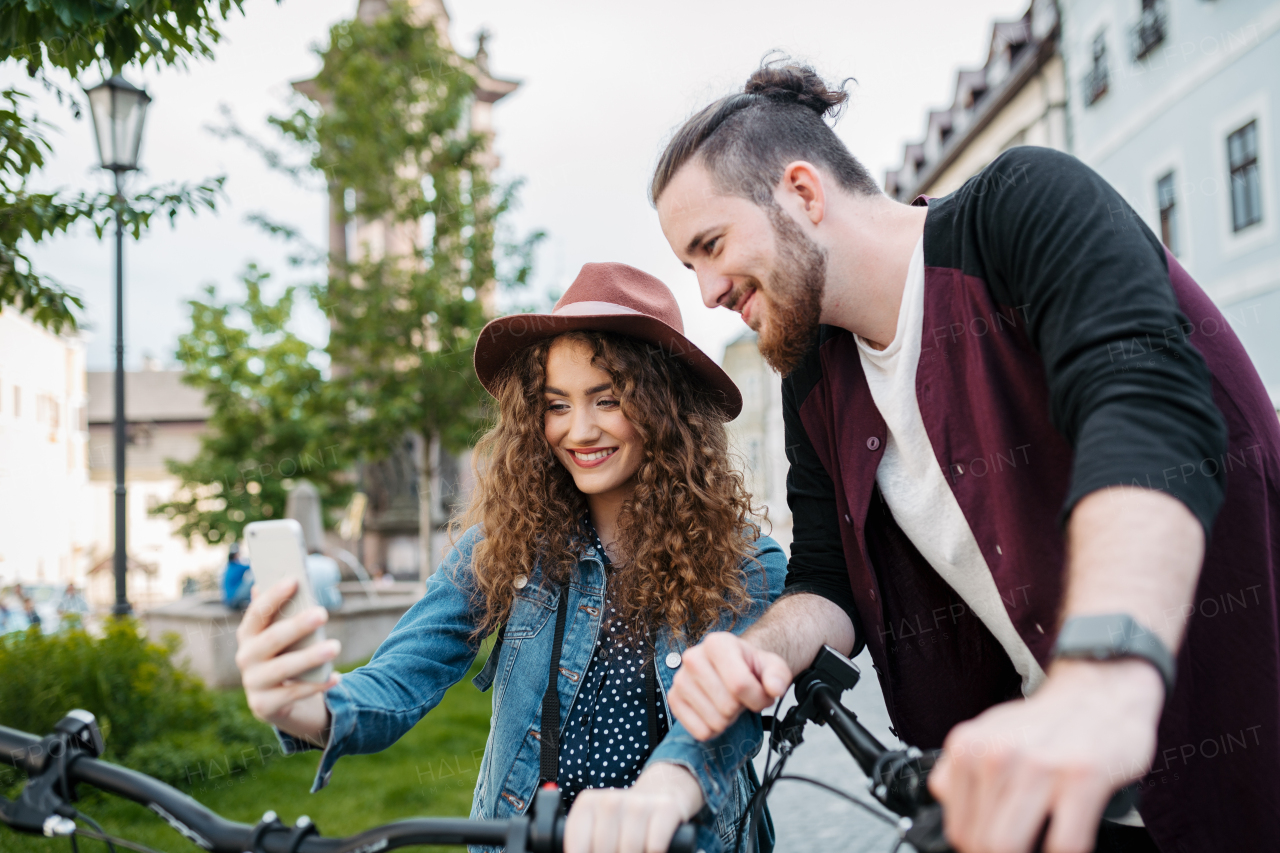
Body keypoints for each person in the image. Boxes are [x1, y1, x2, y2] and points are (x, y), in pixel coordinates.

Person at [651, 64, 1280, 853]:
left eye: (711, 245)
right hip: (1057, 811)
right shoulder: (812, 372)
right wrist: (757, 651)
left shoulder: (1020, 207)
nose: (707, 290)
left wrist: (1101, 675)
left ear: (804, 194)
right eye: (689, 267)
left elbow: (1144, 404)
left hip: (1241, 761)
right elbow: (826, 579)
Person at [234, 263, 787, 853]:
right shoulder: (506, 546)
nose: (579, 430)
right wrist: (315, 706)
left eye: (607, 399)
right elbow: (402, 675)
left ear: (667, 407)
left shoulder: (746, 561)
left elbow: (724, 726)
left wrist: (661, 794)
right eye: (556, 405)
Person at [223, 542, 253, 610]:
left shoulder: (229, 567)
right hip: (233, 600)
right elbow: (252, 566)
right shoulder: (238, 566)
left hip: (227, 600)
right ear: (235, 556)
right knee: (252, 580)